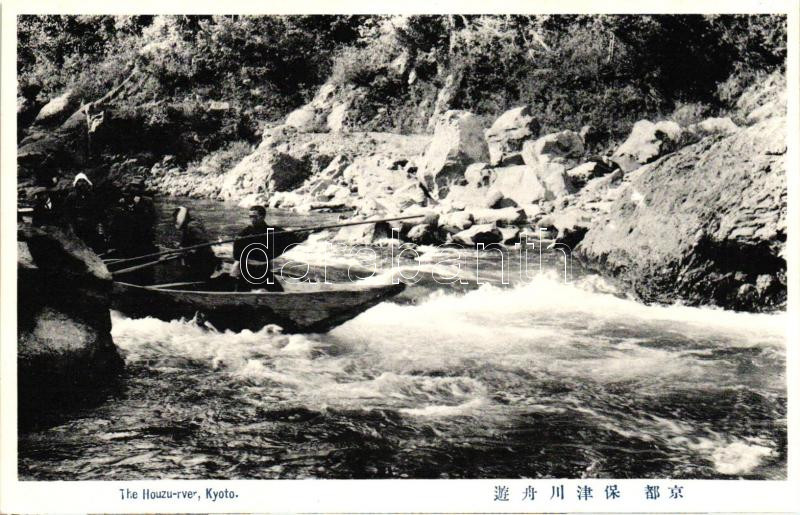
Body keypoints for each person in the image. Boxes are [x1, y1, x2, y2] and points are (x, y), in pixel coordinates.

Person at [231, 205, 307, 291]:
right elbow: (237, 255)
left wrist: (304, 234)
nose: (252, 219)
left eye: (255, 216)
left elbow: (291, 237)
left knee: (279, 292)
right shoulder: (245, 233)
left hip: (264, 269)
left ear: (262, 217)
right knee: (241, 294)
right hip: (247, 270)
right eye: (250, 217)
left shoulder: (272, 231)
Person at [173, 206, 220, 282]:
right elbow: (186, 242)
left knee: (196, 277)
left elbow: (201, 240)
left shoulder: (192, 226)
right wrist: (181, 246)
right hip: (198, 258)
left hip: (204, 259)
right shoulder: (188, 226)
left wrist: (192, 250)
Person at [62, 172, 106, 252]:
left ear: (86, 182)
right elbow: (67, 212)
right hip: (77, 225)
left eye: (83, 181)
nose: (81, 183)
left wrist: (96, 222)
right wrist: (72, 223)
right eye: (79, 181)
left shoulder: (91, 196)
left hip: (90, 224)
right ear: (76, 183)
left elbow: (97, 210)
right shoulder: (71, 197)